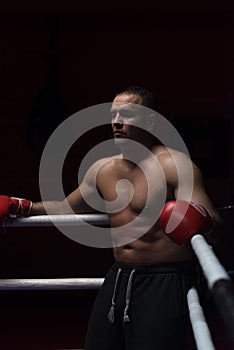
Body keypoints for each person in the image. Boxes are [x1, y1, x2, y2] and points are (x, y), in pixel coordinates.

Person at [0, 86, 220, 349]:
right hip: (119, 275)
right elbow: (65, 206)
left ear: (151, 119)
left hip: (165, 277)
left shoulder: (174, 165)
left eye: (127, 114)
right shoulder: (103, 169)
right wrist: (23, 206)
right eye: (113, 114)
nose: (116, 122)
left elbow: (215, 225)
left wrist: (199, 219)